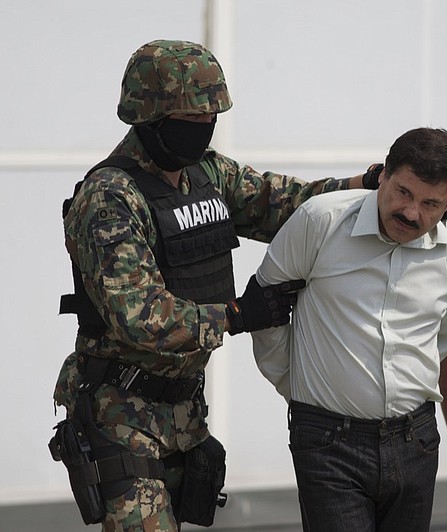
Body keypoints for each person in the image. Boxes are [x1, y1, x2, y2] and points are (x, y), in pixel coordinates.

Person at [50, 39, 371, 531]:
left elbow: (282, 204)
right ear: (150, 116)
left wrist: (365, 185)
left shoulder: (206, 173)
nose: (204, 130)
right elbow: (140, 318)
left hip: (183, 414)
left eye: (210, 120)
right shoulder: (111, 198)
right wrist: (240, 316)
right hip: (121, 417)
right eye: (192, 121)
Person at [250, 127, 447, 532]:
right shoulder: (320, 221)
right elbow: (265, 310)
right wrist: (296, 385)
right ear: (382, 175)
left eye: (430, 203)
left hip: (416, 441)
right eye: (403, 192)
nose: (412, 212)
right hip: (328, 443)